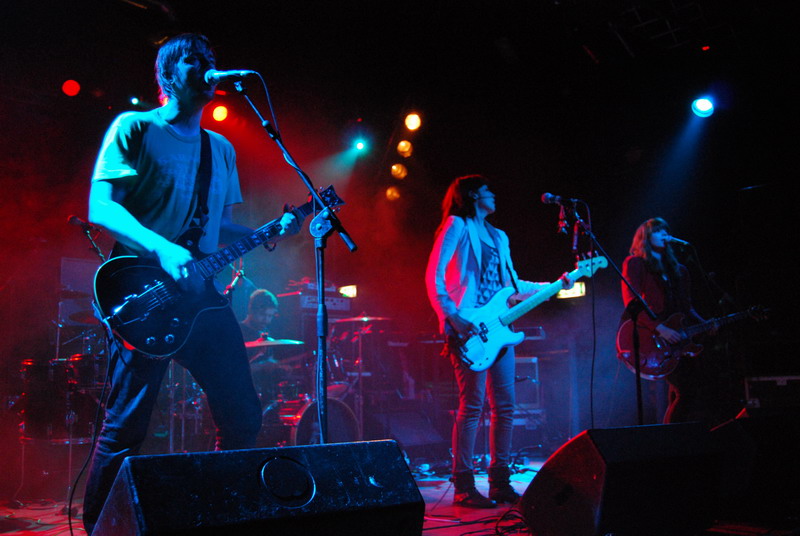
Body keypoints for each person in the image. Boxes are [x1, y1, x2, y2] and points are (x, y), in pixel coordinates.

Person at [83, 33, 299, 534]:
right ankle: (99, 530)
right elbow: (101, 206)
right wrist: (160, 247)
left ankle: (222, 514)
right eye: (193, 60)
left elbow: (215, 228)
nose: (207, 66)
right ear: (167, 75)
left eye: (211, 59)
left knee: (243, 414)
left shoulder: (220, 148)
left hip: (202, 299)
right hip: (142, 292)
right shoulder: (135, 127)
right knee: (126, 427)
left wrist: (270, 231)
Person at [425, 174, 572, 508]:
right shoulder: (457, 226)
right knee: (472, 405)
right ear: (474, 194)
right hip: (469, 328)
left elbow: (512, 283)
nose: (495, 194)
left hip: (501, 328)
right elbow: (434, 273)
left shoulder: (499, 236)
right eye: (489, 189)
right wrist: (452, 315)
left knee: (505, 406)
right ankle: (463, 484)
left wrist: (554, 285)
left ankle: (500, 481)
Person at [620, 217, 708, 424]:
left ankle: (673, 437)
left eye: (666, 231)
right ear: (645, 237)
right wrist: (659, 328)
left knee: (683, 390)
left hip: (678, 336)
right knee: (686, 390)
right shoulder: (635, 263)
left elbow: (686, 306)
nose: (665, 235)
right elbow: (632, 302)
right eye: (658, 231)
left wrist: (705, 323)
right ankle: (671, 439)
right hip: (649, 333)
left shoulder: (680, 270)